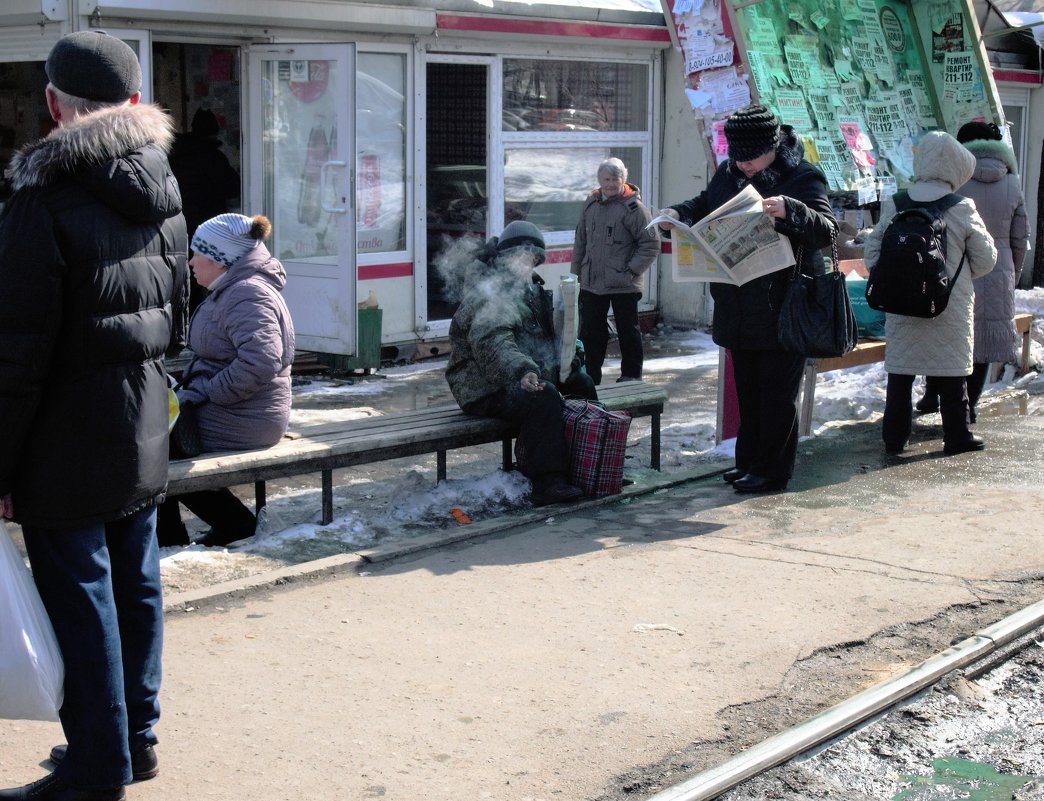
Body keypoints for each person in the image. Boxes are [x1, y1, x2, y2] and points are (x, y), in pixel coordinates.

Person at [0, 30, 188, 801]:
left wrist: (1, 465)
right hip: (141, 422)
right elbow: (177, 319)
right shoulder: (163, 183)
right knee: (135, 585)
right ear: (134, 102)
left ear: (53, 105)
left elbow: (16, 356)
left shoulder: (41, 200)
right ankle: (135, 740)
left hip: (61, 442)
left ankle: (96, 762)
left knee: (81, 599)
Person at [657, 104, 836, 493]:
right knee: (749, 394)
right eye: (737, 158)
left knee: (777, 396)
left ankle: (772, 472)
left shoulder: (802, 176)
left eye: (751, 158)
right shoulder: (730, 172)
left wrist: (792, 211)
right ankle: (749, 463)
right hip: (738, 304)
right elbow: (706, 204)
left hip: (783, 305)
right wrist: (679, 214)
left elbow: (827, 230)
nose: (744, 166)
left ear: (772, 146)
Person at [158, 213, 296, 548]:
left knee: (152, 448)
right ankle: (190, 533)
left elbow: (261, 361)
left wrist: (202, 391)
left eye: (197, 254)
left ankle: (226, 526)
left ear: (221, 259)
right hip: (241, 410)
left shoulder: (246, 293)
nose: (191, 262)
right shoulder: (234, 288)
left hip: (246, 416)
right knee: (154, 434)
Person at [863, 131, 997, 455]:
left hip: (901, 303)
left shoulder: (896, 202)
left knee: (901, 376)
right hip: (948, 303)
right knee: (952, 376)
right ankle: (957, 436)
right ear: (957, 169)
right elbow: (986, 258)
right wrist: (958, 279)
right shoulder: (963, 207)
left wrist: (898, 278)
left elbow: (872, 250)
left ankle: (894, 438)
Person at [446, 220, 597, 507]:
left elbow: (548, 341)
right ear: (504, 259)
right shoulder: (490, 292)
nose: (524, 262)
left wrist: (569, 359)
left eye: (530, 256)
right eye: (517, 255)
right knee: (544, 397)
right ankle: (546, 481)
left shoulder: (533, 290)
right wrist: (522, 370)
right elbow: (494, 342)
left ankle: (586, 469)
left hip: (520, 376)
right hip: (483, 386)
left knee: (581, 383)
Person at [916, 121, 1028, 421]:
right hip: (998, 267)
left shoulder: (956, 179)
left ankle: (932, 394)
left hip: (955, 263)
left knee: (946, 331)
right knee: (982, 343)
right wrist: (1012, 274)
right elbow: (1020, 236)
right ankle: (969, 407)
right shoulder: (1013, 183)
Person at [570, 157, 661, 384]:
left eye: (615, 179)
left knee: (627, 331)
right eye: (607, 179)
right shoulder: (590, 203)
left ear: (624, 179)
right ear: (600, 180)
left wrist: (631, 271)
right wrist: (575, 274)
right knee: (590, 333)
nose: (611, 184)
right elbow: (580, 240)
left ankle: (631, 376)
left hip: (623, 283)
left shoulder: (634, 209)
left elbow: (651, 244)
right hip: (592, 281)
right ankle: (590, 377)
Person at [168, 107, 241, 313]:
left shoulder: (174, 155)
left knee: (187, 276)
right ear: (214, 132)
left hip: (179, 225)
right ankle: (206, 319)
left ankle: (187, 321)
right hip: (208, 227)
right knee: (211, 276)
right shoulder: (212, 157)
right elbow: (233, 187)